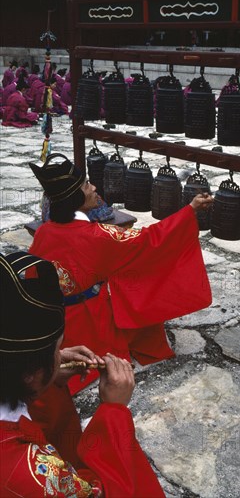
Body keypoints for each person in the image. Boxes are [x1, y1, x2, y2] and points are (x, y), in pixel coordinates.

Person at [29, 153, 213, 394]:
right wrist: (190, 210)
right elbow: (151, 240)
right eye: (86, 185)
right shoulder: (98, 235)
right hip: (90, 321)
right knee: (133, 286)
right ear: (75, 197)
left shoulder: (45, 231)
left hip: (54, 322)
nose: (94, 187)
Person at [0, 251, 165, 497]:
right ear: (29, 373)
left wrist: (48, 375)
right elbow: (102, 491)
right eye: (57, 349)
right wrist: (113, 412)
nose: (61, 355)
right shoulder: (30, 476)